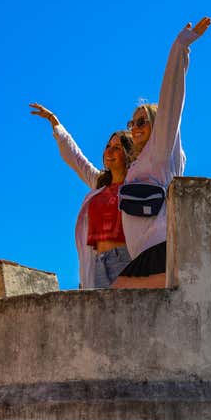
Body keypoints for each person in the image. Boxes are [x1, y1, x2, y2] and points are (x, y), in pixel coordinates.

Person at [112, 16, 211, 289]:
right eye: (133, 123)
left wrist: (180, 48)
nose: (135, 128)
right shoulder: (138, 164)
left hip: (158, 248)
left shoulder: (160, 150)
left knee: (116, 294)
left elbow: (171, 102)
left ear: (156, 125)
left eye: (142, 121)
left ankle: (185, 282)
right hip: (146, 253)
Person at [30, 102, 134, 289]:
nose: (109, 151)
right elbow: (76, 159)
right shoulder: (99, 183)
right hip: (96, 263)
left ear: (128, 153)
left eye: (117, 147)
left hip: (125, 259)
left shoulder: (136, 185)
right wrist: (55, 122)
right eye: (108, 146)